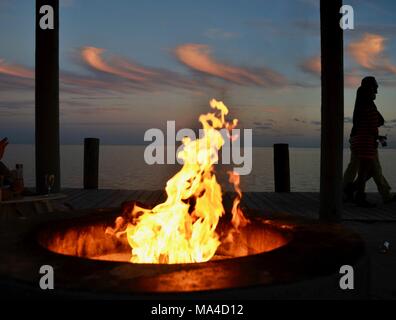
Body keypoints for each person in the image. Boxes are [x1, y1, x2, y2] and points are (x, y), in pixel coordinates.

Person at [343, 77, 395, 207]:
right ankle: (382, 195)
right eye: (375, 88)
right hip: (365, 141)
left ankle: (345, 191)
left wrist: (376, 136)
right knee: (371, 169)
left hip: (357, 138)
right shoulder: (368, 104)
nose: (377, 91)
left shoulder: (360, 102)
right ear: (370, 88)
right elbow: (376, 122)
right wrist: (375, 137)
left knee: (356, 168)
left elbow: (369, 124)